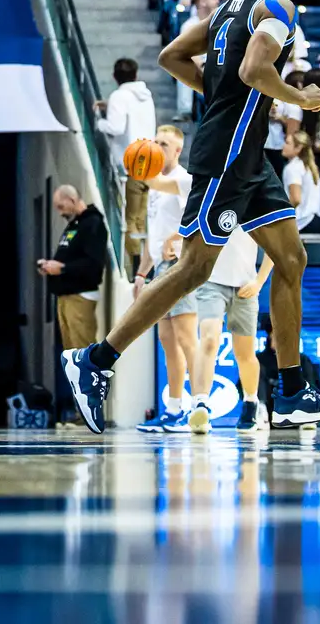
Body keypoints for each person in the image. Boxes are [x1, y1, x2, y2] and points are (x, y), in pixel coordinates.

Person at [64, 0, 320, 433]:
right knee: (194, 268)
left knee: (291, 259)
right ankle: (95, 360)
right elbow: (254, 69)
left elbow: (172, 56)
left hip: (250, 156)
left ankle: (290, 392)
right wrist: (299, 98)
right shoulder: (278, 7)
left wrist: (221, 93)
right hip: (228, 154)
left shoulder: (225, 11)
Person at [133, 125, 200, 433]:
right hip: (160, 268)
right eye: (156, 141)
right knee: (167, 341)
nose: (158, 147)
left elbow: (195, 221)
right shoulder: (155, 188)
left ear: (177, 150)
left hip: (180, 266)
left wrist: (176, 238)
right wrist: (141, 273)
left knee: (187, 339)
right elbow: (153, 235)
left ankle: (199, 407)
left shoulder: (184, 180)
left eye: (164, 144)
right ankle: (174, 409)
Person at [40, 183, 107, 386]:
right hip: (66, 296)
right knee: (72, 358)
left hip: (80, 297)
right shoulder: (75, 225)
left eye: (61, 207)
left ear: (72, 200)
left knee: (83, 355)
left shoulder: (93, 224)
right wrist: (50, 267)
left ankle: (91, 403)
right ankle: (80, 404)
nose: (60, 212)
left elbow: (93, 264)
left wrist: (62, 268)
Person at [94, 57, 157, 262]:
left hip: (133, 163)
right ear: (136, 75)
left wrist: (99, 123)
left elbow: (116, 127)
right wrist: (108, 105)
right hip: (150, 160)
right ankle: (146, 264)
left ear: (114, 76)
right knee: (141, 219)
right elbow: (132, 113)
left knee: (129, 220)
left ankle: (137, 264)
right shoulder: (145, 96)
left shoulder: (119, 97)